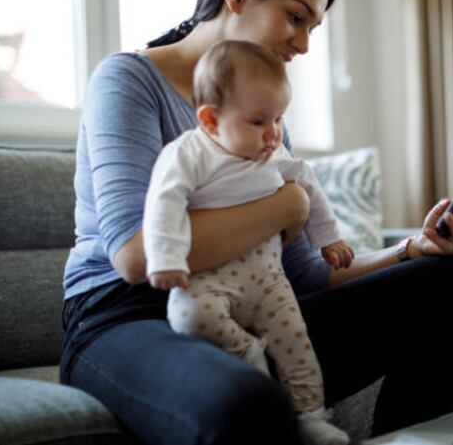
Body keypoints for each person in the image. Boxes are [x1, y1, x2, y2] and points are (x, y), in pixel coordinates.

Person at [60, 0, 453, 444]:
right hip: (130, 317)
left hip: (247, 303)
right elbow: (135, 255)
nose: (304, 44)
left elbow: (305, 276)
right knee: (246, 400)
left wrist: (409, 251)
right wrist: (286, 204)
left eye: (312, 27)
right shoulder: (129, 81)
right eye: (296, 17)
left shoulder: (264, 120)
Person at [143, 39, 353, 445]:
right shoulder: (187, 154)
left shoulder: (271, 154)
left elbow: (307, 183)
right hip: (209, 278)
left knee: (297, 344)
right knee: (187, 317)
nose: (273, 134)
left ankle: (310, 415)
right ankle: (246, 353)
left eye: (278, 120)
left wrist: (329, 238)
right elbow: (163, 202)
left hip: (269, 279)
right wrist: (166, 256)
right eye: (259, 122)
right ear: (209, 120)